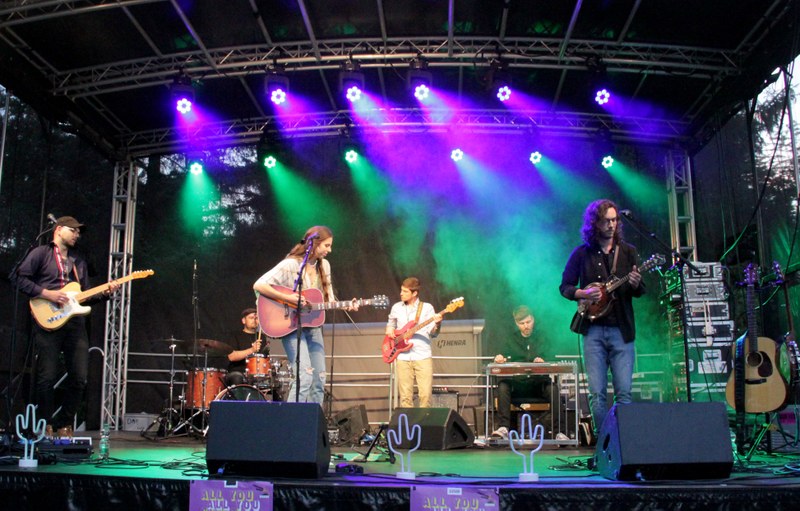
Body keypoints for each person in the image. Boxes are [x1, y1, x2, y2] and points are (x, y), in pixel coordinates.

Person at [11, 216, 119, 437]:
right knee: (46, 376)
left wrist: (105, 294)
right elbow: (19, 278)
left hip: (74, 323)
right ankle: (45, 424)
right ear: (59, 230)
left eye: (79, 232)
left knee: (79, 376)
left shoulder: (78, 262)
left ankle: (64, 423)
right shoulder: (41, 253)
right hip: (47, 320)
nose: (77, 235)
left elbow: (85, 296)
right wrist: (47, 293)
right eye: (74, 230)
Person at [559, 199, 644, 435]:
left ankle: (625, 444)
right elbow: (564, 286)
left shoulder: (628, 252)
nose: (611, 225)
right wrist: (582, 293)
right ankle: (603, 445)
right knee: (597, 394)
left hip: (621, 329)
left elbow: (639, 290)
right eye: (606, 220)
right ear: (595, 223)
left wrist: (636, 283)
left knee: (624, 392)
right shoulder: (582, 254)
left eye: (614, 220)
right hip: (593, 330)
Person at [253, 226, 357, 404]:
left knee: (319, 378)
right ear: (314, 244)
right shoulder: (292, 264)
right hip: (291, 324)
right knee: (304, 376)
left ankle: (312, 426)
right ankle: (292, 424)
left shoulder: (324, 265)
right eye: (326, 245)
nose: (329, 250)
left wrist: (345, 305)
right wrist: (287, 298)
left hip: (312, 324)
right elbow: (259, 285)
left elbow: (328, 298)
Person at [490, 305, 563, 440]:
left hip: (538, 384)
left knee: (553, 388)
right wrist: (499, 358)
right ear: (516, 324)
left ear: (533, 320)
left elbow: (552, 360)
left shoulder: (542, 338)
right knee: (503, 385)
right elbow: (501, 357)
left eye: (528, 322)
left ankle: (559, 432)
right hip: (517, 385)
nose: (526, 326)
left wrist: (544, 360)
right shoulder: (510, 340)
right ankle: (503, 428)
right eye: (521, 323)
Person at [385, 277, 442, 408]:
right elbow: (390, 325)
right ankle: (408, 427)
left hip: (422, 355)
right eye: (401, 290)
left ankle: (424, 426)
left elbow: (433, 333)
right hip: (402, 356)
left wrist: (438, 323)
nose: (401, 294)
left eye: (405, 291)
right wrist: (390, 331)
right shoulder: (396, 307)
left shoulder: (427, 308)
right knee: (405, 397)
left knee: (425, 396)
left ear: (414, 293)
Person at [224, 308, 264, 387]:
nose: (254, 320)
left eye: (256, 318)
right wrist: (252, 350)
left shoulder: (262, 337)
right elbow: (231, 356)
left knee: (275, 384)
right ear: (243, 321)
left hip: (257, 374)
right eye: (251, 318)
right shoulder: (235, 336)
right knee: (237, 377)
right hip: (238, 372)